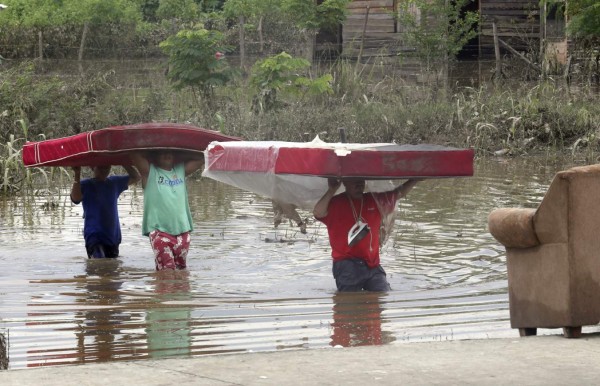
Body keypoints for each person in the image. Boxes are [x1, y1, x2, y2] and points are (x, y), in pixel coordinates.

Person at [313, 177, 422, 292]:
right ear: (344, 183)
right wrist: (332, 190)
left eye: (361, 181)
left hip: (372, 264)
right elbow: (318, 212)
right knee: (348, 304)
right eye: (354, 181)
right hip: (347, 264)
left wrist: (414, 180)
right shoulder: (336, 202)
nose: (359, 184)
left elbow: (398, 193)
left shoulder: (373, 200)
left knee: (383, 295)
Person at [130, 150, 204, 271]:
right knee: (166, 271)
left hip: (182, 230)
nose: (167, 154)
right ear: (155, 156)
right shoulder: (149, 172)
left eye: (170, 152)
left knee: (181, 271)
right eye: (162, 152)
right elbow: (134, 154)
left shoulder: (180, 170)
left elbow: (201, 159)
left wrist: (180, 154)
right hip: (159, 231)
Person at [70, 164, 141, 259]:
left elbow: (136, 177)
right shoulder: (85, 184)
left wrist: (124, 162)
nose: (104, 170)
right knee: (99, 266)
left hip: (112, 236)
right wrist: (77, 173)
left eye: (106, 167)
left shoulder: (115, 182)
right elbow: (75, 198)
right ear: (92, 167)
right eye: (100, 167)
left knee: (111, 269)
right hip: (94, 236)